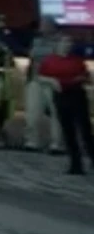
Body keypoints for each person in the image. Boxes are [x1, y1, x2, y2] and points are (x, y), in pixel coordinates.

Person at [38, 36, 94, 175]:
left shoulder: (77, 60)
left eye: (70, 42)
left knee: (85, 130)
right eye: (65, 42)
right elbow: (40, 76)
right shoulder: (50, 61)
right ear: (57, 44)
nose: (68, 45)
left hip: (76, 95)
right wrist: (52, 81)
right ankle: (76, 164)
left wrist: (77, 79)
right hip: (60, 96)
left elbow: (85, 76)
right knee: (68, 131)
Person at [24, 18, 65, 154]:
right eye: (41, 25)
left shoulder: (62, 40)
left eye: (44, 25)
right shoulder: (37, 41)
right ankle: (32, 142)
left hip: (54, 80)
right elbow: (32, 60)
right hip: (36, 80)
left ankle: (57, 144)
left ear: (52, 26)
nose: (41, 27)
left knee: (56, 114)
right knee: (32, 113)